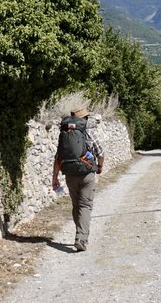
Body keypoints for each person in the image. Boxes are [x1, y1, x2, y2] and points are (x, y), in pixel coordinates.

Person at [51, 107, 105, 252]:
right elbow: (100, 152)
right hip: (87, 173)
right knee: (85, 205)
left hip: (69, 174)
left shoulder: (64, 133)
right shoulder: (89, 131)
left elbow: (58, 157)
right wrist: (99, 166)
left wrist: (55, 177)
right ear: (85, 118)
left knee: (76, 205)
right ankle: (81, 238)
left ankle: (80, 231)